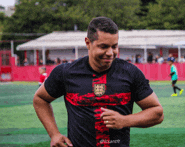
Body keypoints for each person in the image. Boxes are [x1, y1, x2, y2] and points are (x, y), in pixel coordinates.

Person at [33, 17, 164, 147]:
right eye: (103, 47)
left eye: (114, 46)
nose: (110, 53)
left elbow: (157, 113)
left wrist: (125, 120)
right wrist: (54, 134)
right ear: (88, 43)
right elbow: (40, 99)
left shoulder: (130, 72)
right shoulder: (66, 72)